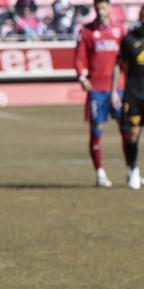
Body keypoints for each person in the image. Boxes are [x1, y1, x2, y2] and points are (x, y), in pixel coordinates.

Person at [76, 0, 128, 188]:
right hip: (97, 89)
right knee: (96, 130)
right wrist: (82, 76)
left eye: (104, 6)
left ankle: (131, 171)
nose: (100, 9)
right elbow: (80, 58)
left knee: (126, 130)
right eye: (97, 6)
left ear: (109, 8)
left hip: (119, 88)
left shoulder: (119, 31)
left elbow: (126, 58)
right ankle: (100, 173)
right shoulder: (87, 32)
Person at [113, 4, 144, 189]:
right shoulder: (129, 39)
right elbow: (119, 65)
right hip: (134, 96)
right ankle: (132, 169)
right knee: (132, 135)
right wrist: (115, 90)